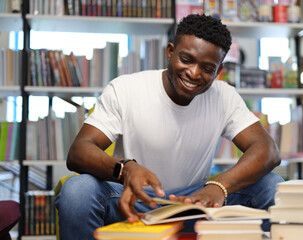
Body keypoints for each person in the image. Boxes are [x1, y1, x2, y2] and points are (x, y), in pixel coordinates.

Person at [55, 14, 283, 240]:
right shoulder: (125, 89)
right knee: (77, 191)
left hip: (195, 198)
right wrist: (126, 169)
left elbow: (267, 150)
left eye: (206, 67)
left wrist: (218, 186)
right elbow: (79, 151)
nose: (193, 73)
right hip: (133, 196)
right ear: (170, 51)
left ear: (218, 71)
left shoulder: (224, 97)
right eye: (186, 59)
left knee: (272, 185)